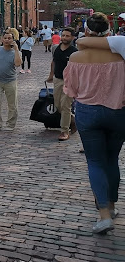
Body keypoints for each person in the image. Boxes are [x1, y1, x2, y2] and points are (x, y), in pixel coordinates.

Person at [62, 13, 125, 234]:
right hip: (117, 111)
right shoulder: (121, 57)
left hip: (88, 112)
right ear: (108, 32)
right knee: (111, 160)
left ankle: (104, 215)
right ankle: (113, 206)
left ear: (87, 31)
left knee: (95, 162)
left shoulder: (76, 58)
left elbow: (70, 90)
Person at [46, 27, 77, 141]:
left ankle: (64, 131)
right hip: (57, 80)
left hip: (69, 82)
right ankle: (72, 121)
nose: (64, 37)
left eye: (67, 36)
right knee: (58, 105)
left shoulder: (74, 52)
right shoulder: (56, 48)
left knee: (65, 106)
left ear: (72, 37)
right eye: (63, 35)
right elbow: (53, 62)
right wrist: (51, 75)